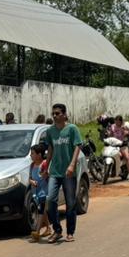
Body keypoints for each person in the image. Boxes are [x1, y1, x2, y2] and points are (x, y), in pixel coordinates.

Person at [44, 102, 83, 243]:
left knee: (70, 202)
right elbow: (50, 149)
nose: (54, 116)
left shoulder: (72, 129)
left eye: (57, 113)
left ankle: (70, 232)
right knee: (51, 200)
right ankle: (57, 230)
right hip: (55, 171)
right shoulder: (50, 131)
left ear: (64, 114)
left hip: (68, 172)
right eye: (53, 114)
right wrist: (46, 166)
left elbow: (78, 146)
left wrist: (72, 165)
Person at [26, 144, 51, 242]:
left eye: (32, 153)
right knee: (43, 210)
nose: (31, 156)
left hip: (45, 192)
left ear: (39, 155)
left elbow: (49, 176)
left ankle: (37, 232)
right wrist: (31, 181)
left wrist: (46, 175)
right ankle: (48, 228)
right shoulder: (32, 165)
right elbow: (30, 178)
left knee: (40, 210)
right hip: (36, 193)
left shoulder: (45, 164)